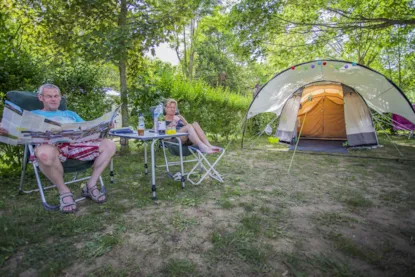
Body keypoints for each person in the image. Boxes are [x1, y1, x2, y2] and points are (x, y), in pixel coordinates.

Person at [0, 84, 116, 213]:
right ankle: (64, 191)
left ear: (60, 98)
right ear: (40, 98)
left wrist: (105, 127)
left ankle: (91, 185)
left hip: (74, 145)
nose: (53, 99)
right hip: (50, 147)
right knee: (44, 154)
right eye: (49, 96)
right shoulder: (31, 115)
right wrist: (5, 130)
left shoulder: (70, 114)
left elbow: (87, 129)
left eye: (56, 96)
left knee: (109, 145)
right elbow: (14, 129)